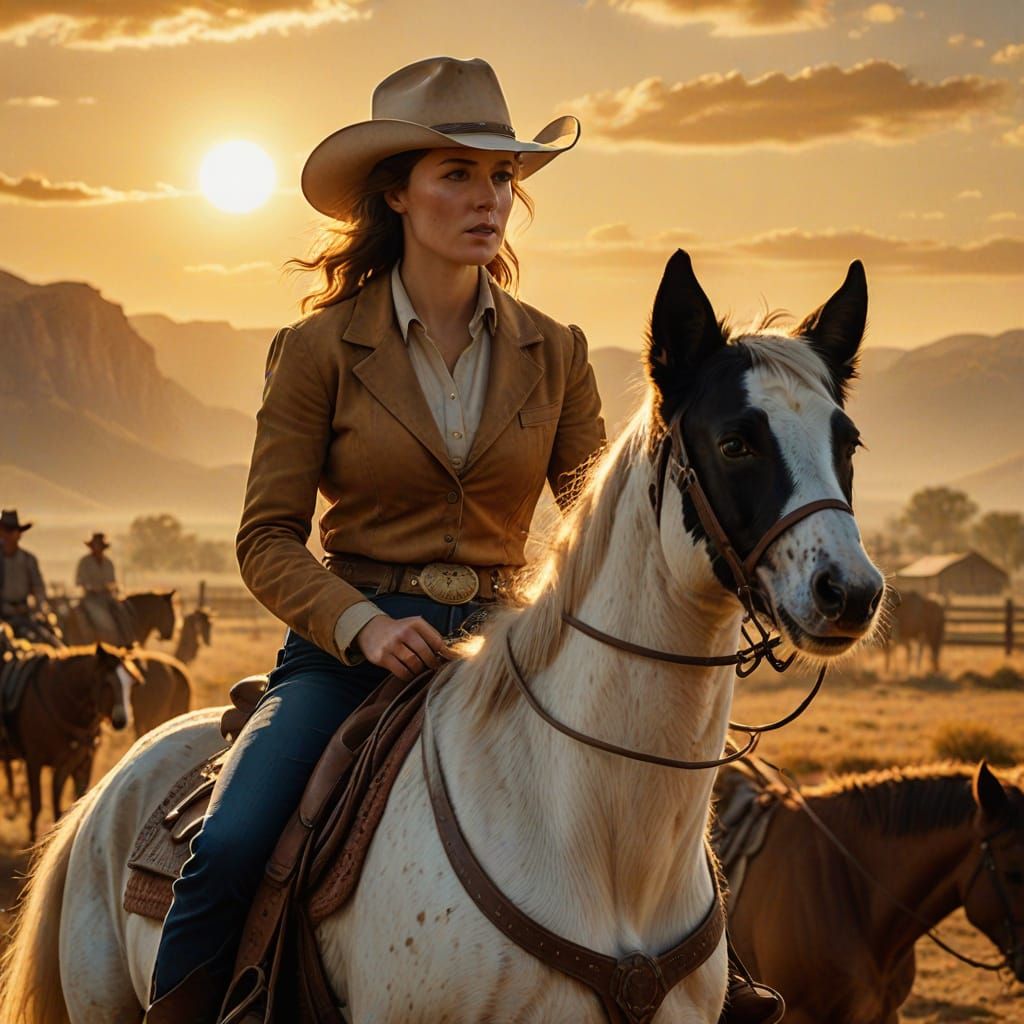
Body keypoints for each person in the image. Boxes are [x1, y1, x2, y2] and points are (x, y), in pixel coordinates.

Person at [146, 56, 779, 1024]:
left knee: (666, 831)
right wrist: (360, 624)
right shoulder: (318, 350)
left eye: (501, 179)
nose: (488, 199)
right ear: (395, 193)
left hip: (508, 645)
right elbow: (266, 538)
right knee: (231, 845)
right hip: (346, 654)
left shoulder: (556, 349)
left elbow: (594, 523)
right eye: (458, 174)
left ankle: (707, 985)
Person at [0, 509, 61, 646]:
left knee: (51, 641)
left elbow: (39, 588)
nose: (7, 536)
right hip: (2, 615)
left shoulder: (28, 560)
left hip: (25, 613)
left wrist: (37, 607)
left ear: (19, 534)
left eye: (11, 532)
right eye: (4, 531)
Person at [75, 531, 134, 645]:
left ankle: (127, 640)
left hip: (107, 597)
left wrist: (112, 588)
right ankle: (101, 640)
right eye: (96, 546)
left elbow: (112, 581)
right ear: (92, 547)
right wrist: (92, 587)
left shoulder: (108, 563)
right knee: (101, 618)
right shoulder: (85, 562)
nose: (98, 549)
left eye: (100, 546)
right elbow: (80, 581)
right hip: (91, 598)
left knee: (124, 611)